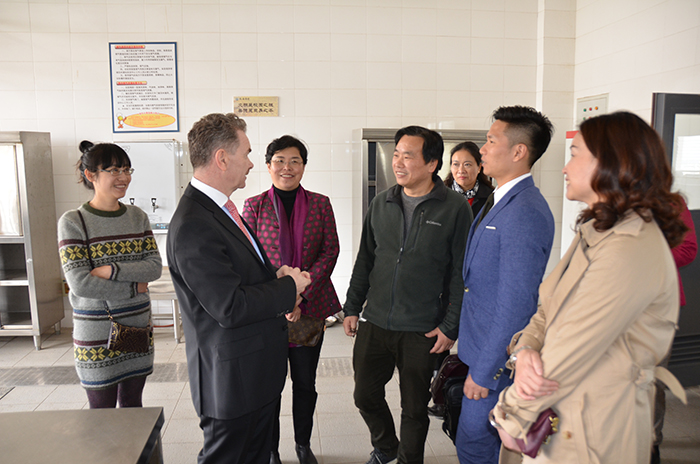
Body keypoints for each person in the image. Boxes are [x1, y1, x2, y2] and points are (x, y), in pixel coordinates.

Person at [491, 111, 688, 464]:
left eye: (575, 154)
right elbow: (549, 307)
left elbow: (575, 341)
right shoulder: (597, 230)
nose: (565, 168)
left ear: (611, 163)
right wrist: (526, 348)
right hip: (563, 410)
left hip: (596, 428)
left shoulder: (630, 247)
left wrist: (514, 412)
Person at [166, 113, 311, 464]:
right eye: (246, 153)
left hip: (252, 374)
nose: (250, 163)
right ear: (222, 158)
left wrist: (274, 277)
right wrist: (288, 287)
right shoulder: (194, 223)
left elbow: (236, 275)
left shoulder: (221, 210)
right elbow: (229, 306)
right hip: (231, 382)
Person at [343, 126, 473, 464]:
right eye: (397, 154)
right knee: (364, 395)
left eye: (408, 156)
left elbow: (461, 273)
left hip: (422, 327)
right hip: (376, 320)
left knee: (414, 408)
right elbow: (365, 259)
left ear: (432, 163)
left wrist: (450, 325)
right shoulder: (381, 202)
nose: (398, 162)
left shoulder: (455, 208)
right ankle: (386, 445)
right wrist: (352, 306)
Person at [457, 106, 555, 464]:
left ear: (518, 151)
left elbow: (516, 303)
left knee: (475, 444)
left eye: (490, 141)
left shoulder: (524, 210)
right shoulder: (501, 198)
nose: (482, 149)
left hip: (496, 361)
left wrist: (485, 373)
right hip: (480, 346)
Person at [243, 135, 341, 464]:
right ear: (268, 165)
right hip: (270, 312)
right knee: (269, 387)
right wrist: (283, 298)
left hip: (310, 308)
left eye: (295, 161)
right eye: (280, 161)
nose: (287, 167)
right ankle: (271, 450)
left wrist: (300, 295)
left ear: (303, 166)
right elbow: (252, 260)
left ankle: (302, 444)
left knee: (305, 383)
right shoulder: (254, 206)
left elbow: (330, 251)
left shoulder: (321, 204)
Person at [58, 141, 162, 408]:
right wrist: (134, 287)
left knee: (133, 407)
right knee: (101, 414)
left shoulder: (137, 217)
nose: (123, 177)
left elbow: (153, 267)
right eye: (114, 170)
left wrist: (110, 270)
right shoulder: (73, 221)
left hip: (136, 326)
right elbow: (80, 283)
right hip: (96, 332)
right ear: (90, 174)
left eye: (127, 170)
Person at [652, 199, 696, 464]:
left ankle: (651, 444)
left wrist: (646, 255)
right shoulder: (612, 199)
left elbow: (688, 249)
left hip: (659, 305)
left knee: (653, 379)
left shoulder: (671, 202)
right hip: (616, 302)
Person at [444, 141, 495, 218]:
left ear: (479, 167)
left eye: (467, 164)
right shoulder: (440, 194)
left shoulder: (491, 198)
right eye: (456, 164)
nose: (461, 170)